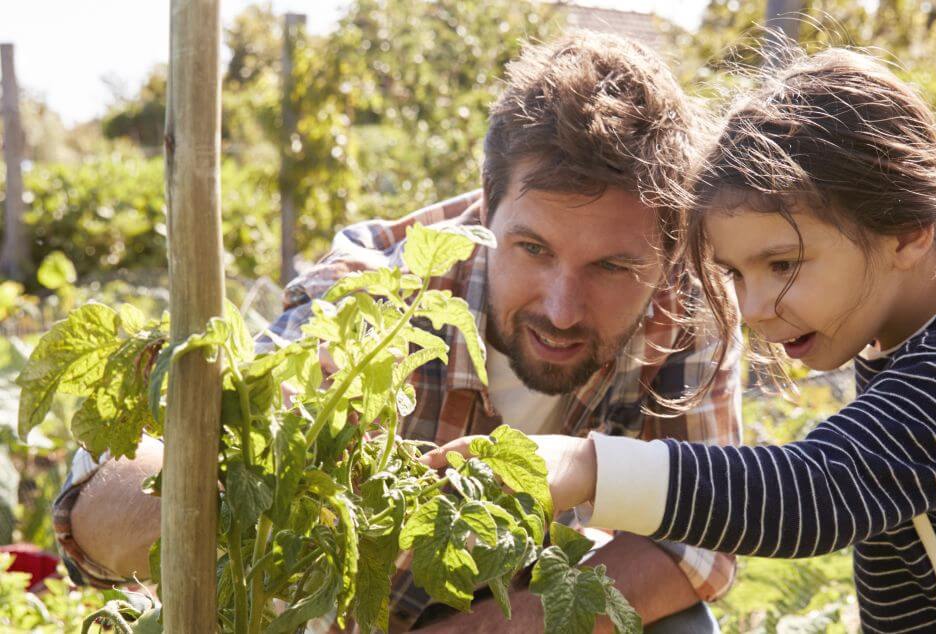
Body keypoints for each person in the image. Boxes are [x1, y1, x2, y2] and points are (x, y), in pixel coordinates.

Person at [53, 32, 742, 632]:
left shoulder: (690, 311)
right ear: (485, 208)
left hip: (510, 609)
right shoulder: (379, 293)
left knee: (681, 623)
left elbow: (703, 544)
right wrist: (261, 505)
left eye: (613, 266)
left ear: (669, 249)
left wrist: (496, 628)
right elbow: (106, 502)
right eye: (532, 248)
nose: (562, 308)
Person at [428, 46, 936, 633]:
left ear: (906, 232)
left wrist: (588, 465)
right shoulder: (928, 344)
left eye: (782, 265)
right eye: (734, 273)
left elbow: (816, 490)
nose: (752, 310)